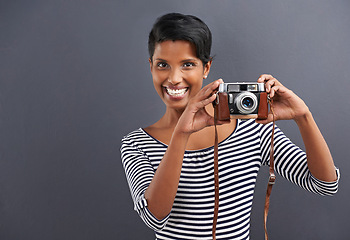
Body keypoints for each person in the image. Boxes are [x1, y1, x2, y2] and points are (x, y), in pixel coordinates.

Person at [120, 13, 339, 240]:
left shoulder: (252, 128)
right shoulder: (136, 144)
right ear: (151, 66)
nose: (174, 78)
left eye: (188, 64)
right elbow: (154, 218)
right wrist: (181, 134)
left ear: (206, 68)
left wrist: (303, 116)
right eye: (163, 64)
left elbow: (324, 185)